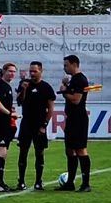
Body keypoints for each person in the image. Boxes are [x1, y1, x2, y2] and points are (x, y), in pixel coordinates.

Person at [15, 61, 55, 191]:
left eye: (35, 71)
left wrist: (44, 125)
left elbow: (50, 108)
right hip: (26, 123)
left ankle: (38, 181)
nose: (32, 73)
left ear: (41, 71)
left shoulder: (46, 87)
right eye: (30, 71)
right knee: (23, 152)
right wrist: (24, 89)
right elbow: (19, 101)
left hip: (39, 124)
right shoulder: (24, 84)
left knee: (39, 152)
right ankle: (21, 181)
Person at [57, 54, 93, 192]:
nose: (64, 68)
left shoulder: (80, 80)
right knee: (69, 150)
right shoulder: (73, 80)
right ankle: (70, 183)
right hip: (71, 118)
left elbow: (76, 99)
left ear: (74, 64)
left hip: (79, 119)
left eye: (66, 65)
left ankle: (85, 184)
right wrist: (66, 86)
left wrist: (64, 92)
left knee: (80, 149)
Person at [0, 61, 18, 192]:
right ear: (4, 71)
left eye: (14, 72)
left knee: (4, 153)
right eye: (10, 71)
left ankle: (0, 182)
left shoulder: (7, 87)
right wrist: (9, 113)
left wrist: (11, 112)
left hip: (6, 125)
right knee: (1, 152)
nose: (12, 74)